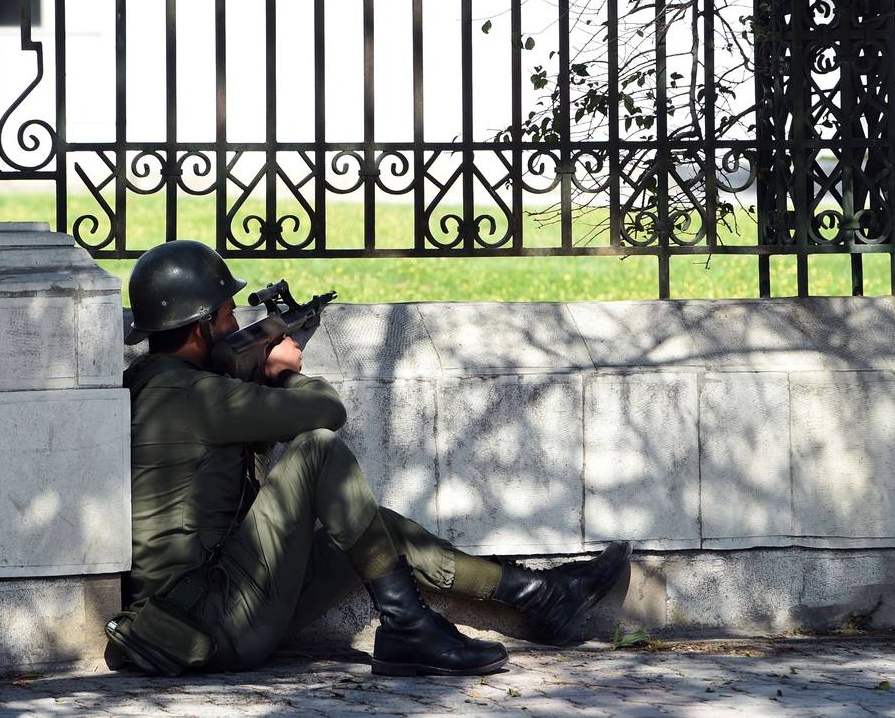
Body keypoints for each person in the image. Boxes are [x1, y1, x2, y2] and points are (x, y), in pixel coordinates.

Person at [115, 239, 630, 676]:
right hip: (207, 620)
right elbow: (326, 411)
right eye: (227, 314)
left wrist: (244, 373)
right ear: (201, 325)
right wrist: (283, 372)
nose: (234, 324)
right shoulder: (196, 397)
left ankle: (540, 597)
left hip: (212, 606)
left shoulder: (160, 385)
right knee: (317, 451)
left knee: (370, 529)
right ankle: (407, 626)